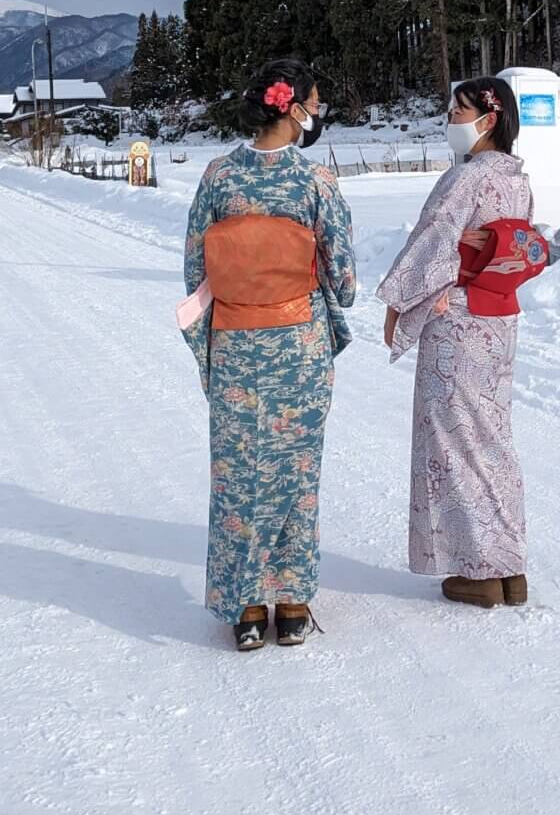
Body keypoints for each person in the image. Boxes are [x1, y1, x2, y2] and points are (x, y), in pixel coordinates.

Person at [181, 58, 356, 652]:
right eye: (316, 100)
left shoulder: (217, 177)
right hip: (297, 342)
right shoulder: (314, 183)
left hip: (234, 340)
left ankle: (245, 603)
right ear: (293, 107)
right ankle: (292, 601)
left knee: (237, 472)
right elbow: (346, 281)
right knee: (295, 470)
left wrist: (213, 338)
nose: (319, 112)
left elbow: (194, 270)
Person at [377, 79, 540, 608]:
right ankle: (508, 565)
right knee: (489, 436)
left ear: (487, 120)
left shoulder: (464, 180)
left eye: (459, 110)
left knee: (454, 437)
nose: (451, 118)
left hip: (458, 318)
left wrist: (400, 304)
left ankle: (479, 568)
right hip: (498, 319)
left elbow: (433, 240)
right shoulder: (518, 181)